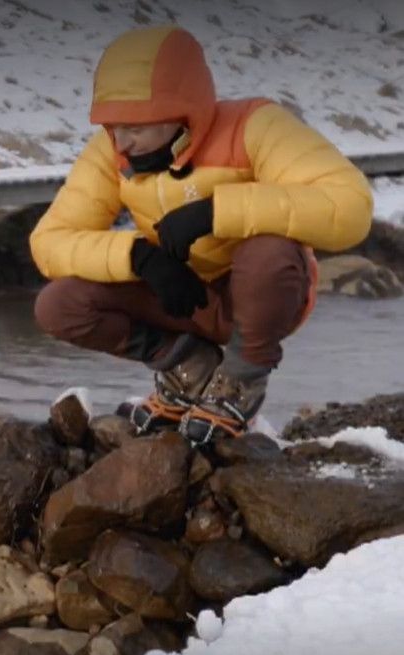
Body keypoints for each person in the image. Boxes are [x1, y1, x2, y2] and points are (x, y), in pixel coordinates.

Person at [29, 25, 373, 444]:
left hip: (258, 297)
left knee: (269, 250)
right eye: (111, 126)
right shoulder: (112, 152)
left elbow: (351, 207)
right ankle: (188, 369)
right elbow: (48, 241)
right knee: (59, 304)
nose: (121, 142)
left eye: (134, 127)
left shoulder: (255, 125)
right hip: (180, 300)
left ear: (182, 112)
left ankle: (241, 379)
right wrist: (138, 258)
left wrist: (216, 212)